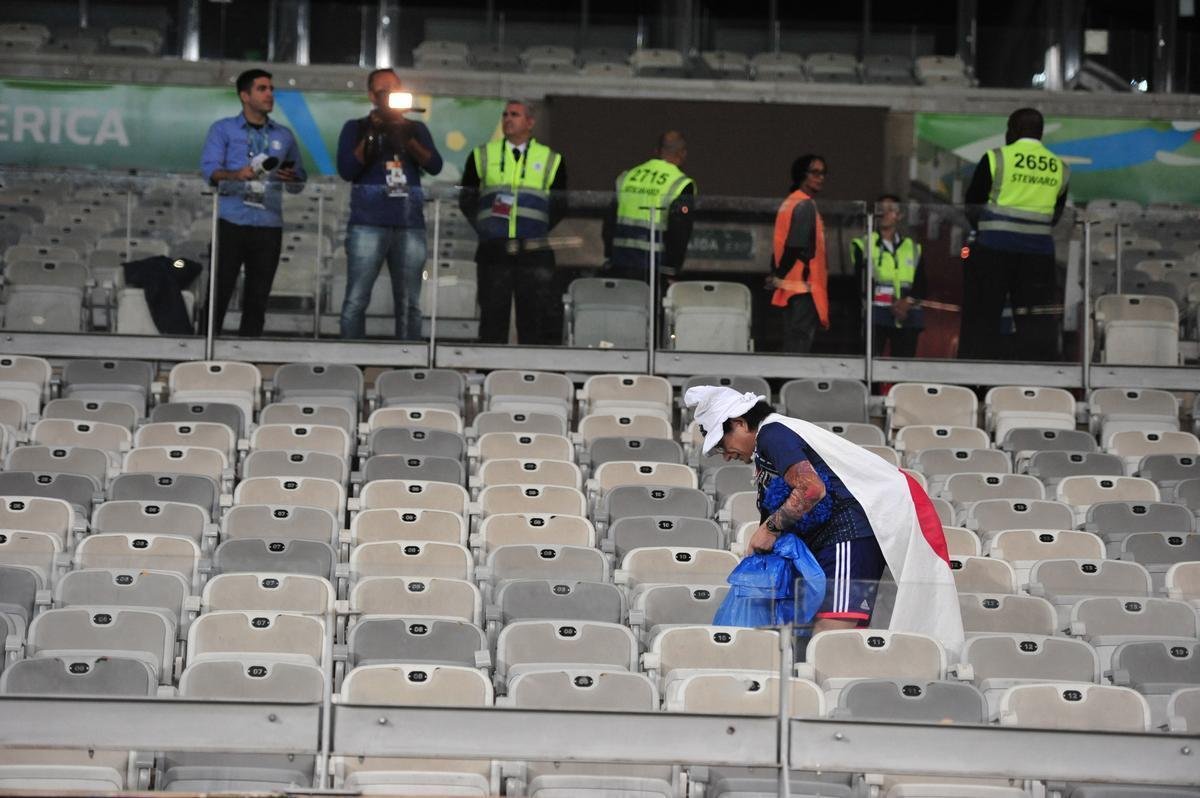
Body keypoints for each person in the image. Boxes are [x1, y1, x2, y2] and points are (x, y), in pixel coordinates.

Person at [684, 385, 963, 651]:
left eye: (722, 443)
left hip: (847, 532)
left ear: (741, 423)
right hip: (839, 537)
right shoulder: (773, 439)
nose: (726, 455)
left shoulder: (772, 435)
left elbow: (811, 488)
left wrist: (770, 529)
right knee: (827, 641)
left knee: (831, 638)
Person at [336, 68, 443, 340]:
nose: (389, 95)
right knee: (355, 300)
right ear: (372, 95)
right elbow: (347, 169)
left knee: (410, 303)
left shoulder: (415, 128)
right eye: (383, 91)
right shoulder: (355, 127)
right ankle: (352, 362)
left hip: (409, 224)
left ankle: (407, 367)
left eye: (394, 89)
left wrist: (405, 137)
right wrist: (372, 132)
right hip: (367, 223)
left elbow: (434, 165)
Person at [199, 67, 306, 337]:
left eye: (271, 89)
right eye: (262, 89)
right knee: (219, 291)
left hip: (269, 224)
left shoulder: (284, 135)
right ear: (245, 96)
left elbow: (299, 182)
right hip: (231, 220)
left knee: (258, 297)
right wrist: (238, 175)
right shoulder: (223, 129)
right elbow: (210, 171)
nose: (270, 94)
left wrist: (291, 176)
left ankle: (247, 356)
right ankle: (202, 352)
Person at [960, 107, 1070, 361]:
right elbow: (1055, 215)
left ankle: (972, 381)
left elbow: (972, 204)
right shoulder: (1060, 167)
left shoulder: (996, 158)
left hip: (993, 250)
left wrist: (986, 227)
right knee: (1035, 322)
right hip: (1038, 255)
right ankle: (1036, 385)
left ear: (1013, 130)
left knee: (982, 317)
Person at [458, 99, 567, 345]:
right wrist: (485, 228)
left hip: (533, 247)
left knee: (533, 315)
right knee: (492, 314)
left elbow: (561, 204)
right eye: (505, 114)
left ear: (530, 122)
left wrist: (537, 229)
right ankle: (489, 372)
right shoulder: (482, 155)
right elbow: (467, 199)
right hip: (494, 247)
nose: (508, 119)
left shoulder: (551, 159)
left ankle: (532, 373)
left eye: (515, 115)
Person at [603, 130, 695, 284]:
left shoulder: (627, 177)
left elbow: (609, 223)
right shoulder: (680, 184)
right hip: (655, 269)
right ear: (683, 154)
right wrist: (672, 269)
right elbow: (679, 230)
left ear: (656, 151)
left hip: (621, 264)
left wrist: (610, 256)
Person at [851, 194, 927, 358]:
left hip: (908, 317)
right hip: (877, 316)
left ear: (899, 216)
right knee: (872, 368)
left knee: (904, 371)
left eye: (890, 210)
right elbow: (861, 283)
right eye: (880, 210)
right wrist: (893, 304)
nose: (884, 213)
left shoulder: (912, 247)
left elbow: (923, 284)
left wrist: (906, 303)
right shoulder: (864, 244)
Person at [769, 154, 830, 353]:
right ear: (802, 175)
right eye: (815, 172)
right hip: (802, 288)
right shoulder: (804, 205)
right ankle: (791, 383)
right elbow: (795, 245)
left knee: (793, 342)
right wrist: (779, 274)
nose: (821, 177)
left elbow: (782, 243)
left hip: (792, 287)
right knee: (798, 346)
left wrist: (777, 274)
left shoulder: (790, 202)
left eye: (823, 173)